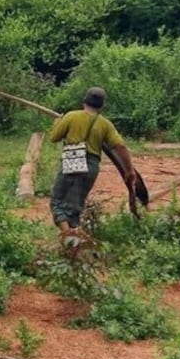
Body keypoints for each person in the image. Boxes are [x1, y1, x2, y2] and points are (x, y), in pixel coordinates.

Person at [48, 87, 136, 245]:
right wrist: (129, 170)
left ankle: (69, 237)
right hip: (92, 165)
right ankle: (72, 238)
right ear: (102, 106)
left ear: (84, 101)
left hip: (73, 160)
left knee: (57, 202)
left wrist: (58, 123)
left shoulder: (71, 116)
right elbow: (120, 147)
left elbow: (54, 137)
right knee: (75, 205)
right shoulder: (105, 124)